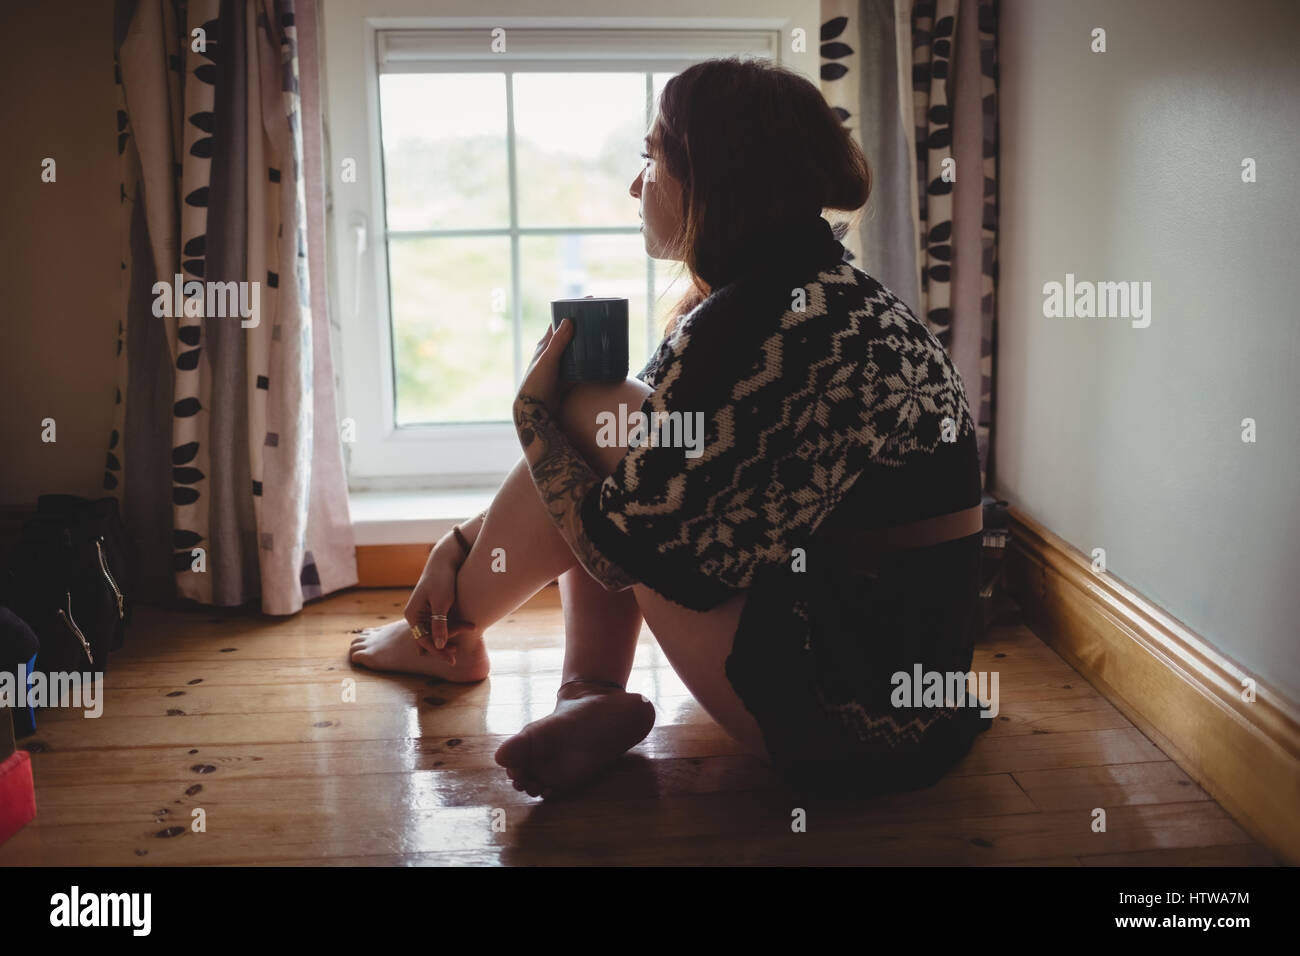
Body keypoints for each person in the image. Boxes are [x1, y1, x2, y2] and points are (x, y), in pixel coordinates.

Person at [350, 56, 989, 800]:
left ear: (713, 180)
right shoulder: (814, 295)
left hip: (849, 721)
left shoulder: (763, 329)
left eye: (651, 159)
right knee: (620, 441)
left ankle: (446, 635)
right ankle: (587, 693)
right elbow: (645, 482)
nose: (635, 185)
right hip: (906, 693)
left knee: (592, 414)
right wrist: (462, 542)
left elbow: (628, 530)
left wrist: (534, 416)